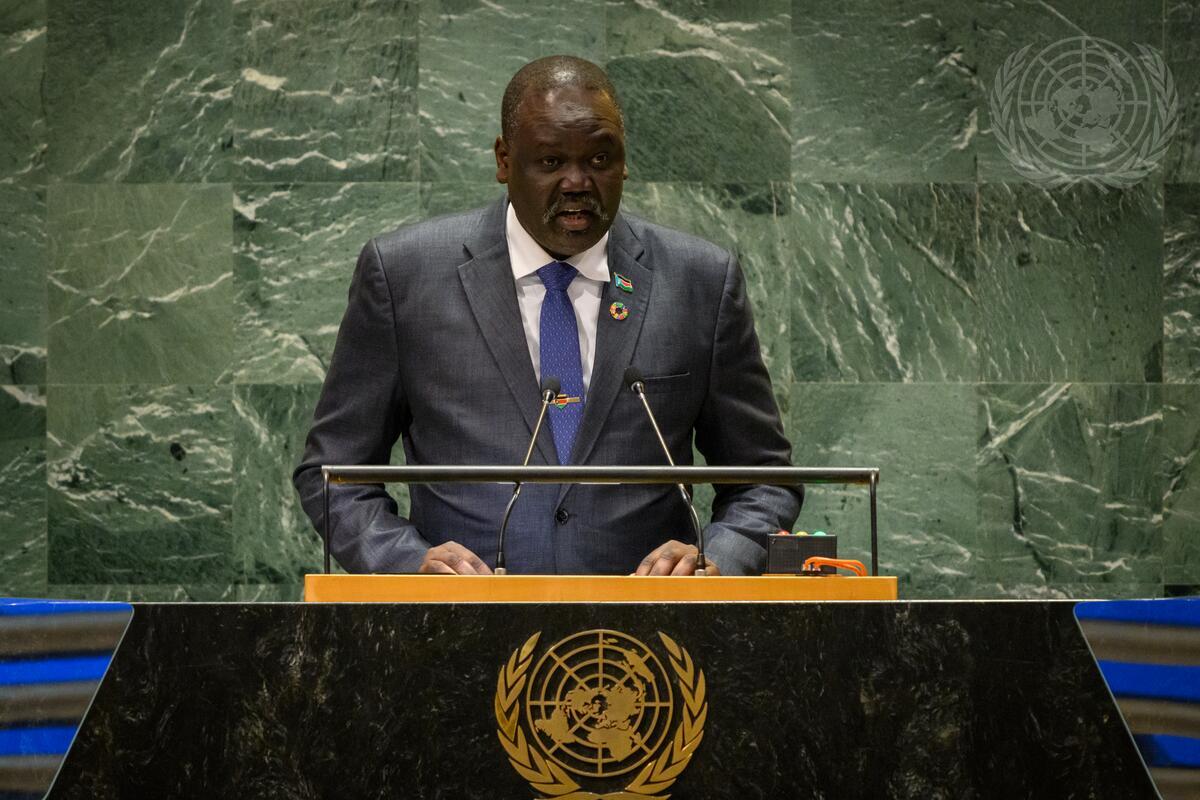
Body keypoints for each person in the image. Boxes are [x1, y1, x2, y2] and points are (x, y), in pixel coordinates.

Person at [293, 55, 801, 576]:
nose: (577, 182)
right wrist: (408, 566)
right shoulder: (405, 275)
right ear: (504, 160)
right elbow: (334, 475)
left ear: (625, 161)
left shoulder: (700, 281)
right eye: (551, 161)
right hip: (463, 618)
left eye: (599, 159)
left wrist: (713, 562)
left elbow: (764, 479)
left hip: (647, 622)